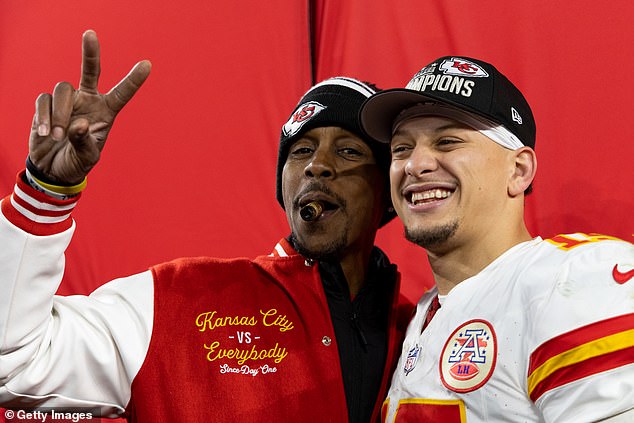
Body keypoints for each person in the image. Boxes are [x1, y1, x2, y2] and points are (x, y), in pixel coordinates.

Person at [0, 30, 413, 423]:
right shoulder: (176, 303)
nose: (316, 165)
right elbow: (15, 363)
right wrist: (44, 192)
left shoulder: (428, 330)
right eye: (301, 150)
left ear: (388, 190)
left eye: (349, 151)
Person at [358, 56, 634, 422]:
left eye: (447, 141)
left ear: (518, 170)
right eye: (401, 149)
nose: (415, 164)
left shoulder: (575, 282)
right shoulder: (417, 315)